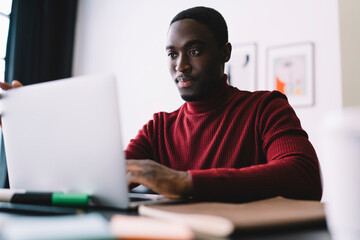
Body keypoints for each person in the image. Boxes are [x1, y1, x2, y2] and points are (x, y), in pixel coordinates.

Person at [0, 6, 322, 202]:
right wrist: (27, 125)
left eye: (194, 51)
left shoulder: (266, 108)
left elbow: (303, 177)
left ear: (224, 53)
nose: (180, 65)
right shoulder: (159, 128)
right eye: (172, 54)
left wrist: (184, 181)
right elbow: (97, 178)